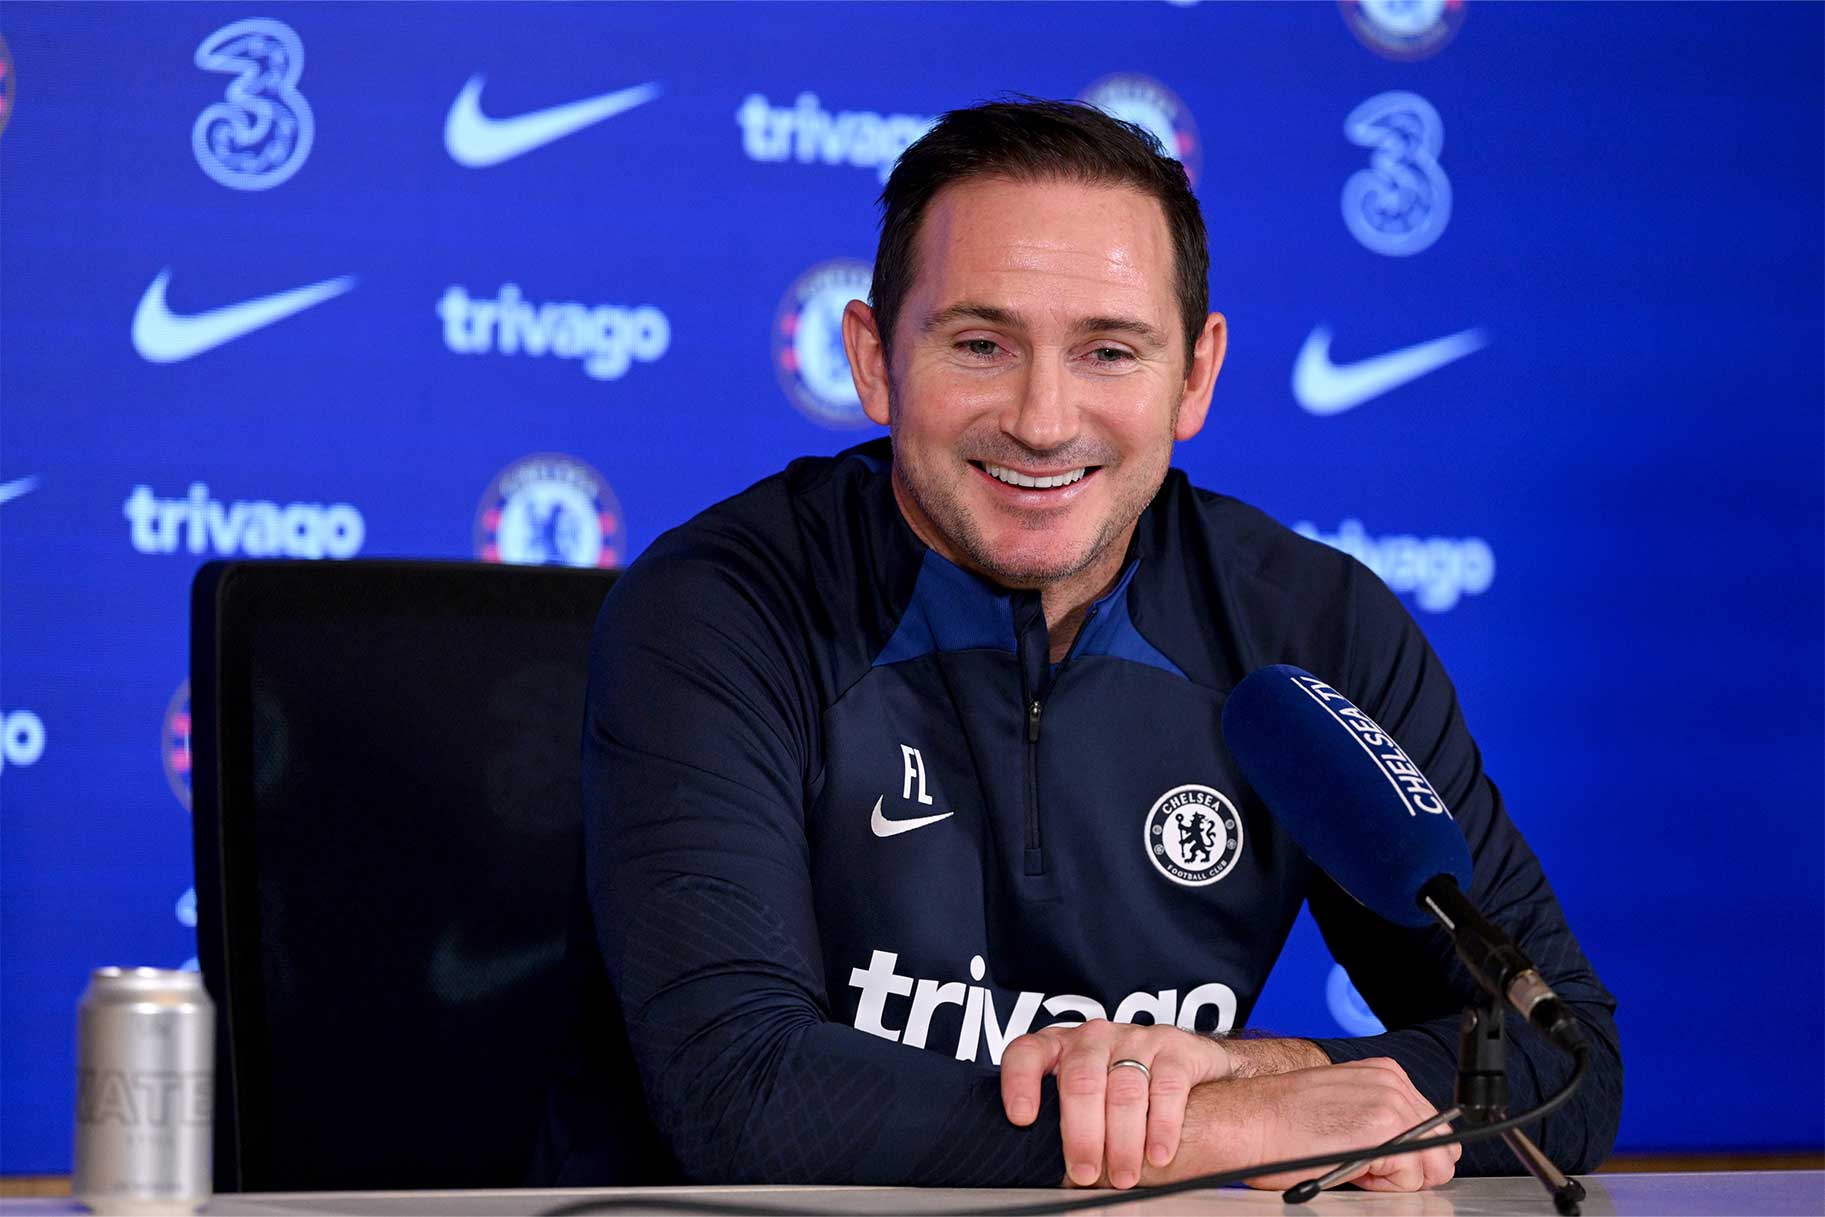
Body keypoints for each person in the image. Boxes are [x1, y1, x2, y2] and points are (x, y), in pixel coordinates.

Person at [533, 99, 1621, 1192]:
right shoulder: (723, 607)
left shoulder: (1310, 626)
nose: (1044, 418)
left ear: (1194, 376)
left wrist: (1272, 1068)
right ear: (873, 362)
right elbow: (742, 1096)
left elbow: (1561, 1051)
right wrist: (1231, 1125)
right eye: (979, 343)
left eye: (1108, 350)